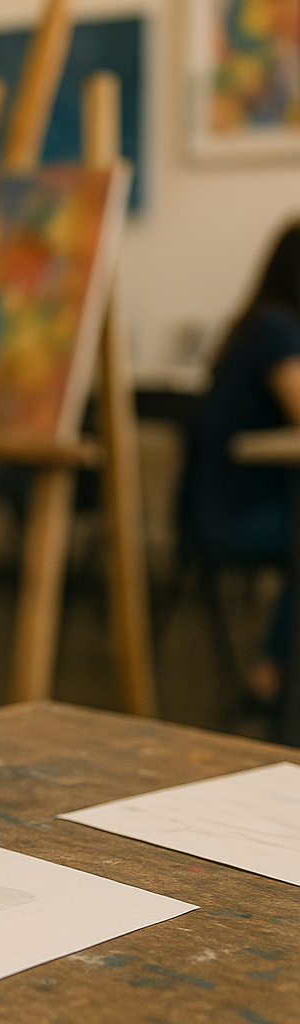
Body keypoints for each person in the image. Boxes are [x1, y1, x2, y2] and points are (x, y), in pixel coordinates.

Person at [185, 222, 300, 712]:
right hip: (237, 514)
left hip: (236, 501)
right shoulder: (275, 329)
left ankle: (274, 669)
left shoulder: (261, 322)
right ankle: (272, 672)